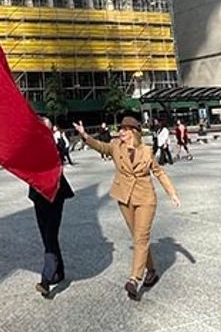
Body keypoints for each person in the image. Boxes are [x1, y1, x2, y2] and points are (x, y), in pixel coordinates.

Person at [73, 115, 181, 300]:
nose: (120, 132)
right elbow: (101, 147)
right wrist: (85, 135)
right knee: (138, 238)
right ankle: (152, 271)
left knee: (141, 237)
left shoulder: (147, 151)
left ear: (133, 132)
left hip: (145, 198)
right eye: (120, 129)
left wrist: (172, 193)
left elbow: (159, 172)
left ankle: (134, 279)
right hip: (124, 198)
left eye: (124, 129)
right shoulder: (116, 147)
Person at [29, 173, 74, 298]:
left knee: (50, 235)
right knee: (45, 235)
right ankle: (59, 272)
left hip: (54, 191)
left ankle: (46, 279)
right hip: (37, 192)